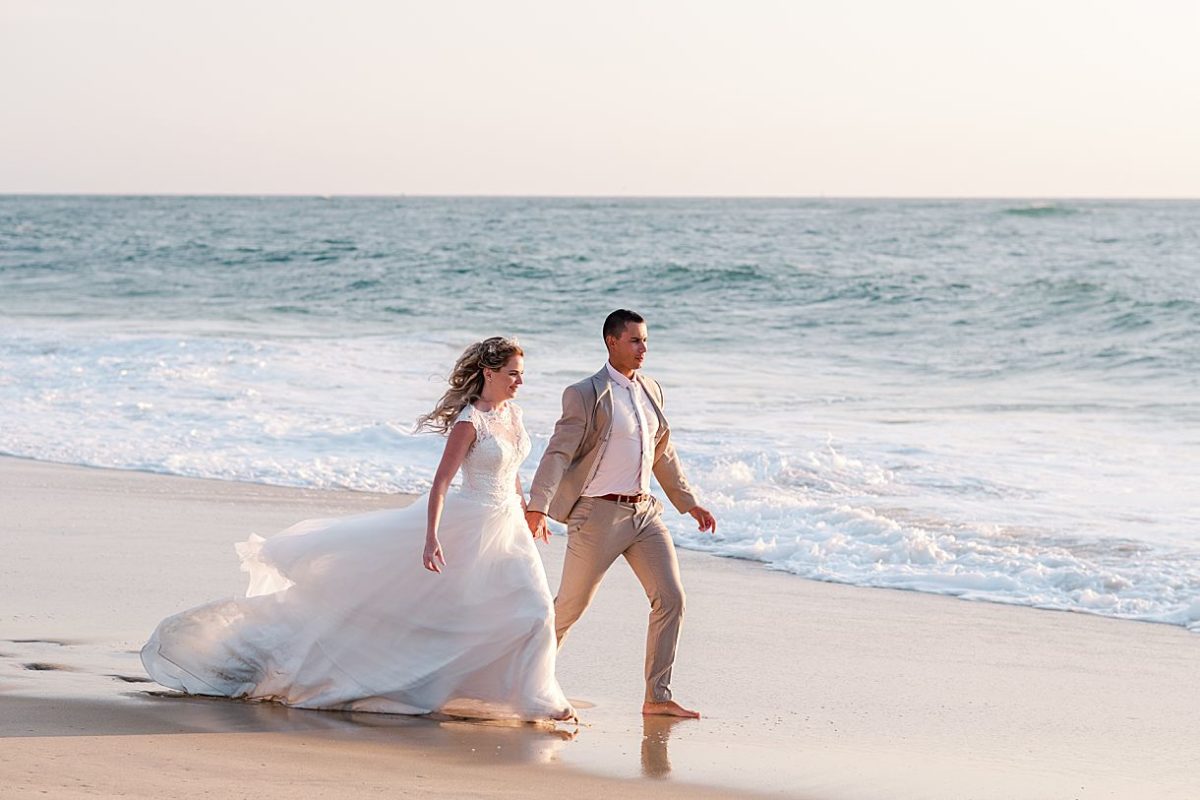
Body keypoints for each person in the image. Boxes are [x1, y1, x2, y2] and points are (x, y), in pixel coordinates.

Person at [140, 337, 574, 722]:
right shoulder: (469, 422)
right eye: (514, 373)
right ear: (489, 372)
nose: (520, 381)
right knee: (506, 612)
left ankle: (523, 693)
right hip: (471, 525)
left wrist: (527, 511)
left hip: (508, 528)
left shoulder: (513, 416)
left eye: (522, 374)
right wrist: (431, 536)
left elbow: (513, 470)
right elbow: (441, 483)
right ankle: (533, 699)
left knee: (528, 610)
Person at [525, 309, 717, 719]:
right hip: (597, 516)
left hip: (645, 515)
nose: (643, 348)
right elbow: (558, 452)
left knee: (671, 598)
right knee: (570, 608)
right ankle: (525, 684)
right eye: (635, 341)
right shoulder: (586, 394)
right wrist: (537, 506)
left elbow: (663, 453)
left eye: (645, 340)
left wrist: (689, 502)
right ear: (611, 342)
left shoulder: (651, 389)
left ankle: (657, 697)